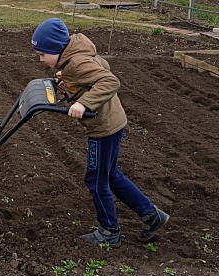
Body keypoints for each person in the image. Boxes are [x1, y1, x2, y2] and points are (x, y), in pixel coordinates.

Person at [31, 18, 169, 247]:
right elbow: (93, 73)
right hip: (113, 123)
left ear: (57, 48)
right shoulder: (75, 54)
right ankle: (152, 216)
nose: (41, 59)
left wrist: (84, 103)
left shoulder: (76, 63)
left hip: (103, 128)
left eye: (43, 54)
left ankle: (109, 231)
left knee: (96, 180)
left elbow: (109, 80)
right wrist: (65, 82)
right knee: (111, 176)